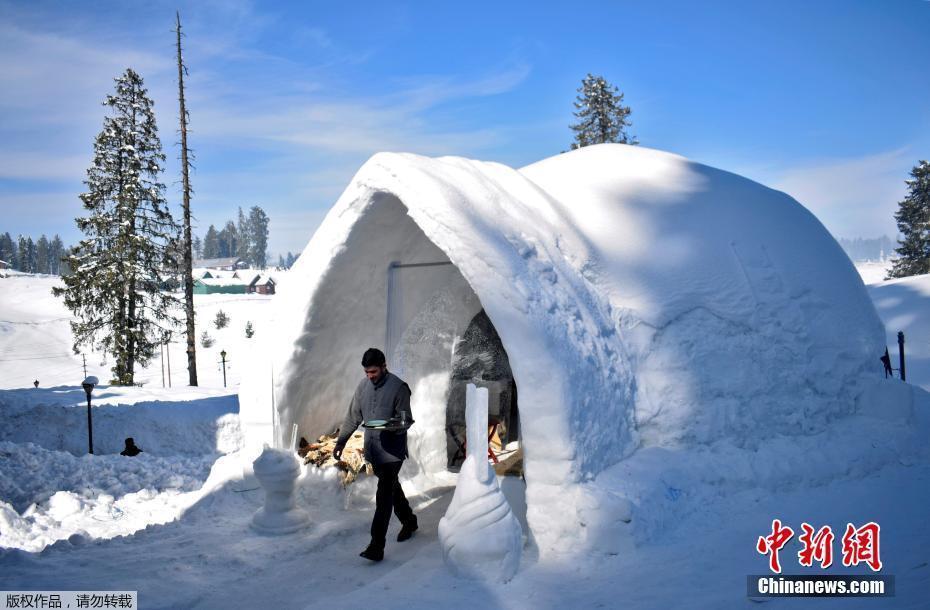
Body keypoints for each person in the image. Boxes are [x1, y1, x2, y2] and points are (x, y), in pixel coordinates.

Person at [333, 347, 417, 562]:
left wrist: (386, 425)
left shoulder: (399, 388)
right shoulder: (363, 387)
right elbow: (353, 416)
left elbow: (405, 421)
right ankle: (409, 520)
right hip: (373, 451)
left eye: (374, 372)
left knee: (383, 496)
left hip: (392, 453)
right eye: (367, 373)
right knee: (391, 488)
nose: (370, 376)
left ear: (383, 366)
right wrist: (341, 441)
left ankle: (376, 545)